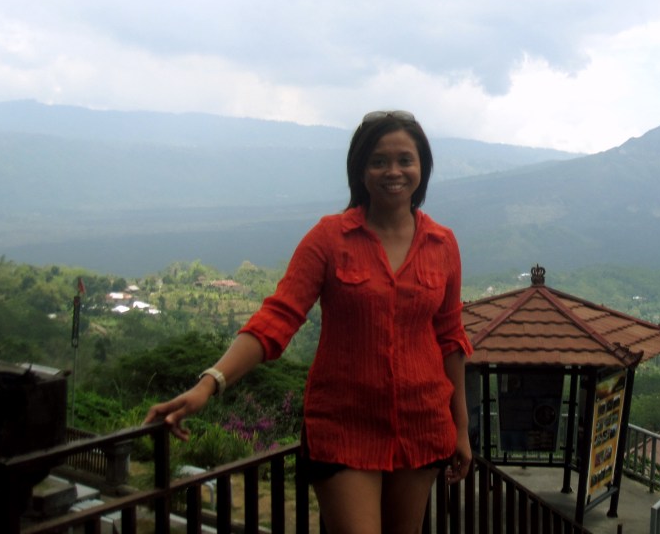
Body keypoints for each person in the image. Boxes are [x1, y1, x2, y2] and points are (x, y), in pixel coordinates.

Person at [144, 110, 473, 534]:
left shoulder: (442, 244)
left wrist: (461, 429)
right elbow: (278, 317)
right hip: (343, 428)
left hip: (422, 425)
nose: (393, 171)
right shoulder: (330, 238)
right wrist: (210, 383)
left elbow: (450, 339)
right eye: (378, 161)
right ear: (360, 170)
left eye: (405, 160)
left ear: (422, 167)